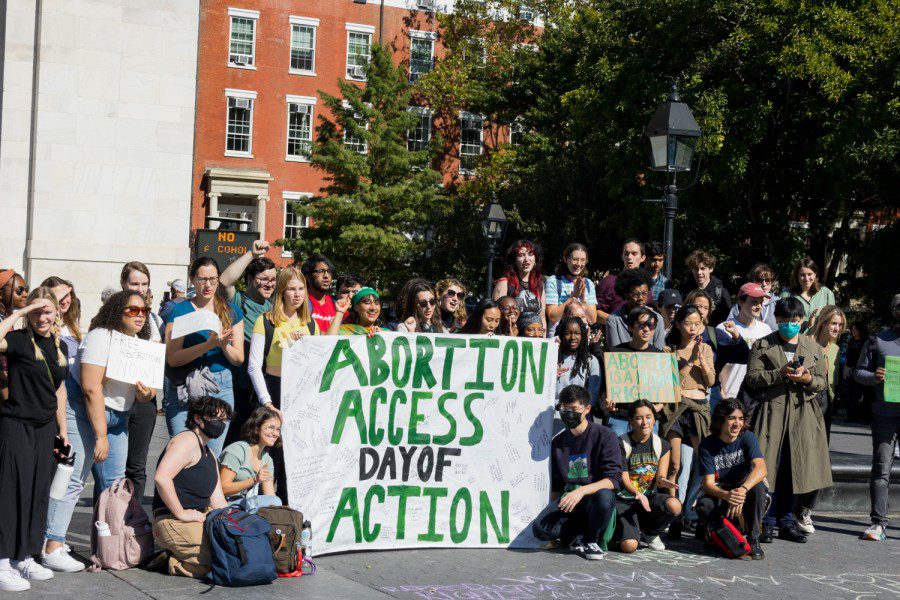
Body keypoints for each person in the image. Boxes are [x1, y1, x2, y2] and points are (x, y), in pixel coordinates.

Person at [42, 291, 155, 572]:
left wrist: (143, 394)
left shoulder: (145, 342)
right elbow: (91, 387)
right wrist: (101, 435)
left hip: (119, 415)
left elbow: (150, 391)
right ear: (118, 311)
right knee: (74, 478)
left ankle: (108, 550)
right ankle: (51, 546)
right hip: (83, 410)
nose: (140, 314)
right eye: (132, 310)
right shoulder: (100, 337)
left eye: (144, 309)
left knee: (114, 487)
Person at [746, 297, 830, 544]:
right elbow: (752, 378)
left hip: (803, 414)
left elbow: (822, 382)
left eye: (794, 321)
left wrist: (806, 380)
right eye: (783, 321)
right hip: (772, 412)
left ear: (802, 321)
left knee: (795, 469)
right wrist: (778, 374)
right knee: (769, 467)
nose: (789, 325)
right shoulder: (762, 345)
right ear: (777, 320)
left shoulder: (813, 348)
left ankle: (786, 521)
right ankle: (765, 521)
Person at [0, 289, 68, 591]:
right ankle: (2, 560)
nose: (43, 317)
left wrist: (62, 430)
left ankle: (25, 556)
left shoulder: (59, 345)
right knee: (11, 492)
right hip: (16, 425)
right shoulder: (17, 341)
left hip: (44, 428)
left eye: (48, 311)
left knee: (38, 491)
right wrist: (19, 313)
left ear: (57, 314)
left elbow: (59, 391)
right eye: (37, 312)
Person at [246, 267, 316, 503]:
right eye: (291, 289)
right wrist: (267, 402)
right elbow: (254, 366)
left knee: (292, 458)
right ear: (282, 292)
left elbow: (316, 366)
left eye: (301, 289)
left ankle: (289, 509)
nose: (297, 294)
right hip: (272, 390)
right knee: (269, 454)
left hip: (299, 395)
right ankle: (266, 506)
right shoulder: (265, 321)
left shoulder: (311, 325)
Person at [164, 257, 244, 457]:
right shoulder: (179, 310)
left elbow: (238, 359)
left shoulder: (232, 311)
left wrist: (223, 346)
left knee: (211, 455)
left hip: (219, 384)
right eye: (202, 279)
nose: (208, 285)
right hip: (185, 383)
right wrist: (208, 345)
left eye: (213, 279)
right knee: (181, 452)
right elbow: (173, 358)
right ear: (192, 279)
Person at [532, 385, 620, 560]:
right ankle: (574, 536)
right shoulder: (558, 442)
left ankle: (591, 540)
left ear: (587, 409)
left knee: (605, 497)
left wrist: (580, 491)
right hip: (570, 500)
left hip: (594, 498)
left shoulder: (606, 435)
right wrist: (553, 510)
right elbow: (557, 484)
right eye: (564, 409)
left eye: (574, 409)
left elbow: (613, 479)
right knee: (540, 529)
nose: (568, 414)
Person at [152, 396, 232, 578]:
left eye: (224, 420)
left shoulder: (210, 453)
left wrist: (235, 522)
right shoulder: (186, 440)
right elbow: (162, 477)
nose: (221, 424)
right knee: (213, 561)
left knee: (229, 552)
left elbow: (218, 500)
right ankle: (169, 562)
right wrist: (181, 513)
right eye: (216, 419)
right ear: (197, 418)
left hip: (200, 517)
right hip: (172, 518)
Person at [695, 399, 768, 560]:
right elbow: (707, 484)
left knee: (758, 488)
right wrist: (728, 496)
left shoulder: (747, 437)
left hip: (744, 487)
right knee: (704, 505)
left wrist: (742, 491)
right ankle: (716, 535)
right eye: (732, 418)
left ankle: (754, 539)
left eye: (740, 419)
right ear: (721, 420)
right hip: (721, 489)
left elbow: (761, 468)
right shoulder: (707, 445)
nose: (737, 424)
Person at [218, 241, 275, 447]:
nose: (270, 284)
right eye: (263, 279)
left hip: (261, 389)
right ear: (250, 279)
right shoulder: (237, 301)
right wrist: (251, 253)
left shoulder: (273, 309)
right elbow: (224, 282)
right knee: (233, 441)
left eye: (273, 280)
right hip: (238, 387)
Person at [854, 293, 900, 542]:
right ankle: (879, 523)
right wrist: (875, 377)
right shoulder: (877, 340)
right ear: (893, 310)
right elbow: (858, 373)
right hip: (884, 414)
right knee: (882, 468)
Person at [660, 305, 715, 505]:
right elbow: (672, 380)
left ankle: (693, 508)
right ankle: (671, 507)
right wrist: (690, 360)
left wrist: (702, 360)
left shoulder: (706, 348)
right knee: (674, 464)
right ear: (677, 324)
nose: (693, 328)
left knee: (703, 463)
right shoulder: (670, 350)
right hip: (676, 408)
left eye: (697, 324)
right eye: (688, 323)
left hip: (699, 407)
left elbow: (710, 381)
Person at [119, 261, 163, 501]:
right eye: (134, 283)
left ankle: (132, 519)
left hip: (144, 401)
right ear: (123, 284)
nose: (140, 288)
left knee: (137, 465)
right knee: (113, 466)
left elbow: (156, 362)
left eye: (144, 284)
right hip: (117, 399)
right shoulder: (111, 316)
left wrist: (151, 393)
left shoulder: (153, 320)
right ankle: (107, 522)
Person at [615, 400, 680, 553]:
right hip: (624, 500)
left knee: (675, 505)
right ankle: (623, 534)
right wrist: (637, 493)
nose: (644, 422)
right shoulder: (621, 443)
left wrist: (665, 482)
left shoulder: (661, 444)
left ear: (654, 419)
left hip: (648, 499)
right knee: (630, 546)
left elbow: (660, 477)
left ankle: (650, 532)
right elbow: (624, 478)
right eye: (639, 418)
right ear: (631, 420)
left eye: (648, 417)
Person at [604, 307, 665, 436]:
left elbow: (664, 393)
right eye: (642, 325)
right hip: (620, 418)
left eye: (651, 325)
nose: (647, 329)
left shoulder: (659, 356)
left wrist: (657, 407)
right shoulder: (615, 353)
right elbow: (606, 388)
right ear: (631, 327)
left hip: (647, 420)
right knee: (617, 455)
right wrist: (607, 403)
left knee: (647, 455)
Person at [716, 283, 773, 401]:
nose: (759, 306)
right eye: (754, 302)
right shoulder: (723, 328)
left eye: (761, 302)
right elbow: (717, 365)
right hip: (729, 394)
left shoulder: (766, 329)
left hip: (755, 396)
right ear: (741, 302)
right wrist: (720, 391)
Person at [219, 406, 281, 503]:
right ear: (257, 427)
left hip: (246, 504)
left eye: (278, 429)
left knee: (275, 501)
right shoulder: (237, 450)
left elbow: (270, 496)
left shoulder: (267, 459)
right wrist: (254, 480)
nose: (275, 433)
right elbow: (223, 488)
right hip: (225, 503)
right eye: (271, 427)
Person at [605, 268, 666, 350]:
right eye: (635, 294)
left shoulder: (657, 318)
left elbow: (659, 352)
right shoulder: (614, 320)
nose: (641, 298)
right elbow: (615, 352)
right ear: (626, 295)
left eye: (644, 294)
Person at [545, 243, 598, 336]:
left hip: (581, 337)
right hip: (558, 336)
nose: (579, 264)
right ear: (565, 259)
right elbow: (552, 317)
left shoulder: (589, 284)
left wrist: (583, 300)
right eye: (575, 259)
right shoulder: (553, 281)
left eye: (583, 260)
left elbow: (593, 320)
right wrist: (573, 297)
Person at [492, 240, 546, 329]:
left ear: (535, 259)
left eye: (530, 254)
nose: (527, 259)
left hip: (535, 337)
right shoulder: (504, 283)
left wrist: (542, 340)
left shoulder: (539, 284)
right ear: (514, 260)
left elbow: (542, 317)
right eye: (521, 255)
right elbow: (495, 315)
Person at [556, 316, 601, 409]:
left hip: (581, 416)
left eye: (577, 333)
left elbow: (593, 394)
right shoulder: (553, 358)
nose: (573, 337)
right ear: (561, 334)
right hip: (554, 415)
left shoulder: (591, 361)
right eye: (567, 333)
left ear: (583, 335)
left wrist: (579, 410)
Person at [782, 258, 836, 330]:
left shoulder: (827, 294)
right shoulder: (787, 294)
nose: (806, 279)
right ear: (797, 276)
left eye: (809, 274)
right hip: (794, 339)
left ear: (815, 274)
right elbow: (781, 321)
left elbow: (832, 322)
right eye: (802, 275)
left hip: (818, 340)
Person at [596, 239, 646, 318]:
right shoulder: (608, 282)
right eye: (626, 254)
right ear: (622, 256)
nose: (629, 257)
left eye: (634, 254)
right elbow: (596, 313)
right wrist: (619, 323)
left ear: (642, 258)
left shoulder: (645, 284)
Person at [682, 249, 731, 327]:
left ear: (710, 269)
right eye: (696, 269)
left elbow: (727, 318)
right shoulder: (685, 290)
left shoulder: (721, 292)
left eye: (702, 268)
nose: (699, 272)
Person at [0, 269, 28, 403]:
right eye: (19, 290)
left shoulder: (7, 319)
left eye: (26, 289)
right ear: (0, 294)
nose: (25, 294)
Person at [40, 277, 82, 364]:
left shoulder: (72, 324)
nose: (64, 301)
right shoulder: (42, 326)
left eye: (66, 295)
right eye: (58, 296)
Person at [728, 264, 778, 330]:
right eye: (759, 280)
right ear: (751, 281)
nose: (764, 284)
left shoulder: (778, 303)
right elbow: (729, 326)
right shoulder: (741, 305)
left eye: (768, 280)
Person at [845, 320, 874, 423]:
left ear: (860, 330)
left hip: (861, 371)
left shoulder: (866, 342)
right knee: (850, 393)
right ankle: (852, 416)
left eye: (855, 329)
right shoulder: (851, 341)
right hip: (850, 371)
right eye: (852, 329)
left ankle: (864, 416)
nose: (853, 331)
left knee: (863, 395)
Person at [300, 254, 337, 332]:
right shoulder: (300, 303)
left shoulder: (336, 306)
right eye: (321, 271)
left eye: (329, 271)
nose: (326, 275)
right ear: (308, 277)